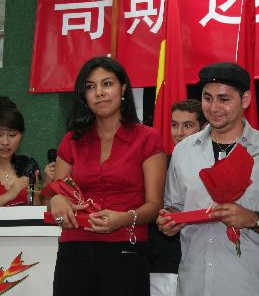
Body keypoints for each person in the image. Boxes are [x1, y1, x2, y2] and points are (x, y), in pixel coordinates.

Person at [157, 62, 259, 296]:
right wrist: (168, 220)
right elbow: (174, 205)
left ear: (246, 100)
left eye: (224, 99)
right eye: (207, 98)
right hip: (194, 283)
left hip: (249, 284)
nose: (214, 107)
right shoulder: (184, 151)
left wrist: (252, 219)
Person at [48, 56, 166, 296]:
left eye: (107, 84)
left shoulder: (147, 137)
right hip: (74, 250)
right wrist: (56, 200)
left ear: (123, 88)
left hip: (126, 250)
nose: (99, 92)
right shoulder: (72, 139)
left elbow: (154, 206)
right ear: (84, 96)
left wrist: (122, 219)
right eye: (90, 87)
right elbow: (54, 192)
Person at [149, 99, 206, 296]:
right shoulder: (156, 163)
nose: (179, 133)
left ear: (204, 128)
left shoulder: (215, 165)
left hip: (204, 264)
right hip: (162, 265)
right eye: (174, 125)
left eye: (187, 125)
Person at [0, 96, 53, 206]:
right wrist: (10, 194)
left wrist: (46, 186)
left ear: (21, 135)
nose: (5, 142)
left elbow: (36, 211)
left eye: (12, 135)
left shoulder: (28, 165)